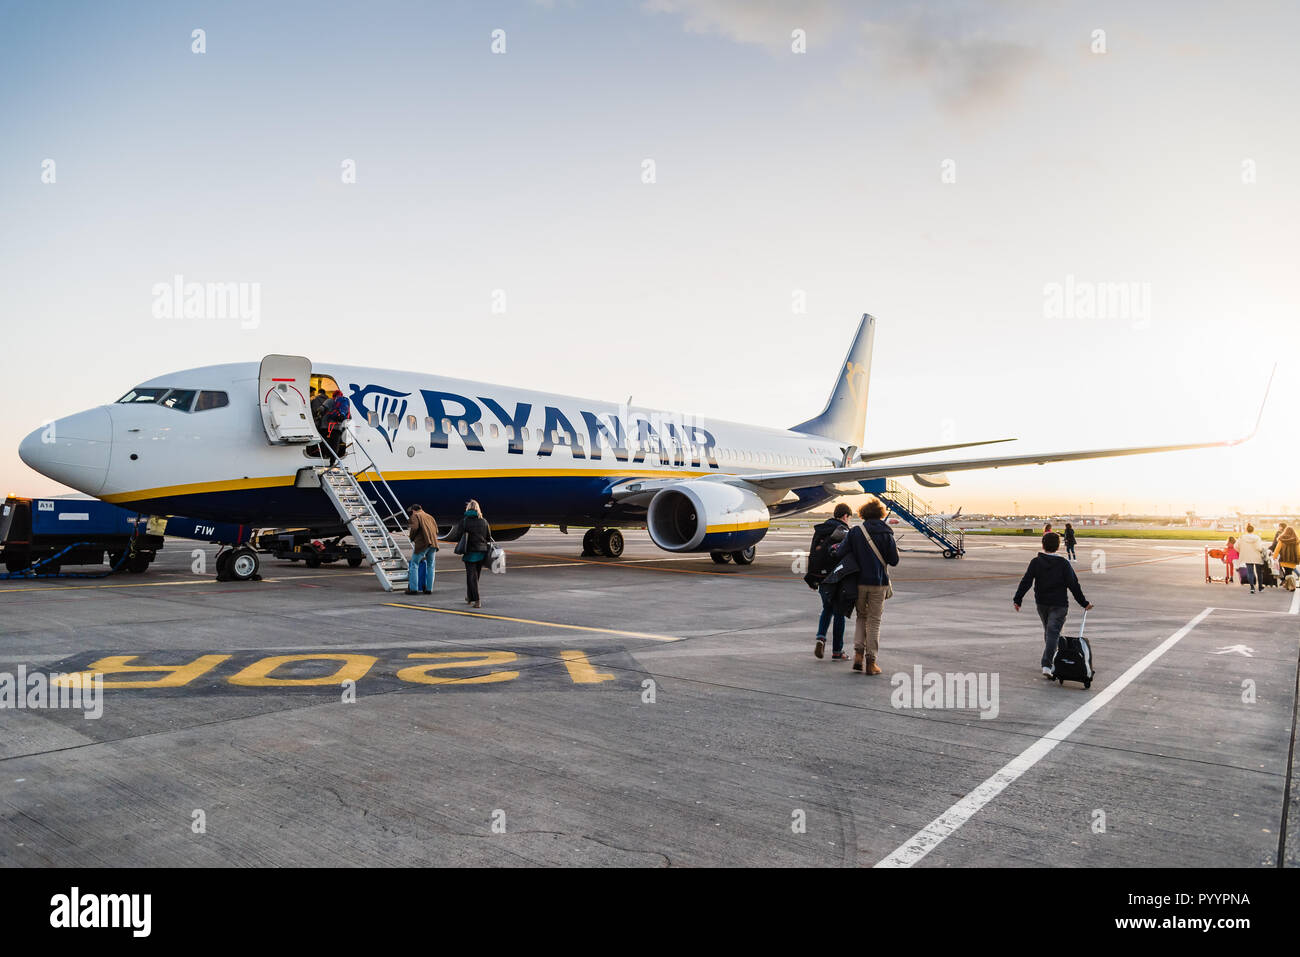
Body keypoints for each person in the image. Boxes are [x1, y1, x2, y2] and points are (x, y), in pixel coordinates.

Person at [1014, 531, 1094, 678]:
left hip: (1042, 603)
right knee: (1052, 633)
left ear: (1043, 545)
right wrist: (1084, 603)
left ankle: (1052, 659)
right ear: (1058, 546)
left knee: (1050, 632)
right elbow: (1073, 585)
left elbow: (1026, 581)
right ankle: (1048, 664)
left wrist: (1018, 599)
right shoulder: (1063, 563)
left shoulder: (1036, 562)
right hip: (1059, 604)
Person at [834, 496, 899, 675]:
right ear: (880, 514)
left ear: (863, 514)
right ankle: (871, 662)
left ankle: (857, 656)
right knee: (874, 622)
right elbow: (894, 561)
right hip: (878, 584)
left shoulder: (855, 532)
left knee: (861, 618)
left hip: (859, 583)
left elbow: (840, 552)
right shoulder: (887, 532)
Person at [807, 504, 852, 660]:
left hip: (820, 577)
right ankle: (837, 651)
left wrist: (812, 578)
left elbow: (813, 554)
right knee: (839, 613)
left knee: (827, 608)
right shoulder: (843, 531)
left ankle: (821, 637)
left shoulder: (820, 530)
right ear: (846, 516)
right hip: (837, 578)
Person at [444, 499, 493, 608]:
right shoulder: (484, 521)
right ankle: (470, 597)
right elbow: (488, 536)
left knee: (471, 577)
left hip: (470, 552)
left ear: (468, 508)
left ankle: (477, 599)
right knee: (475, 577)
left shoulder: (464, 521)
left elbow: (457, 536)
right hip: (481, 552)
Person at [406, 504, 439, 595]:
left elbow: (415, 527)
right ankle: (429, 589)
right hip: (433, 544)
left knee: (414, 564)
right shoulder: (430, 516)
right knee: (430, 565)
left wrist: (411, 537)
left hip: (422, 544)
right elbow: (436, 530)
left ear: (413, 510)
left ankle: (413, 589)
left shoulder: (415, 516)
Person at [1236, 523, 1265, 595]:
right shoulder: (1257, 537)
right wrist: (1262, 550)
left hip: (1247, 556)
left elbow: (1236, 546)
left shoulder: (1242, 537)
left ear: (1246, 530)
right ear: (1253, 530)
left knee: (1250, 572)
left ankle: (1252, 587)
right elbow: (1259, 548)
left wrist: (1242, 551)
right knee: (1259, 572)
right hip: (1257, 556)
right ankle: (1260, 587)